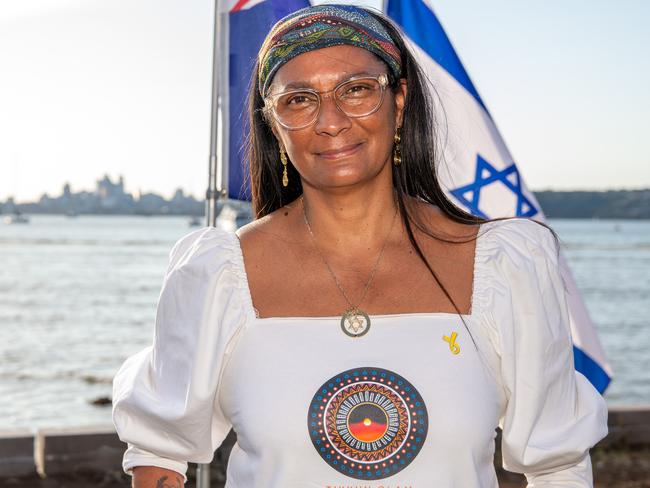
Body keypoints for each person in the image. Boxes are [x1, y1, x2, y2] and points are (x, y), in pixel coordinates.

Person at [112, 5, 608, 487]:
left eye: (357, 90)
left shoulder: (502, 265)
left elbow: (556, 468)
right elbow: (160, 457)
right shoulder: (217, 274)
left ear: (399, 102)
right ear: (273, 123)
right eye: (299, 99)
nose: (331, 120)